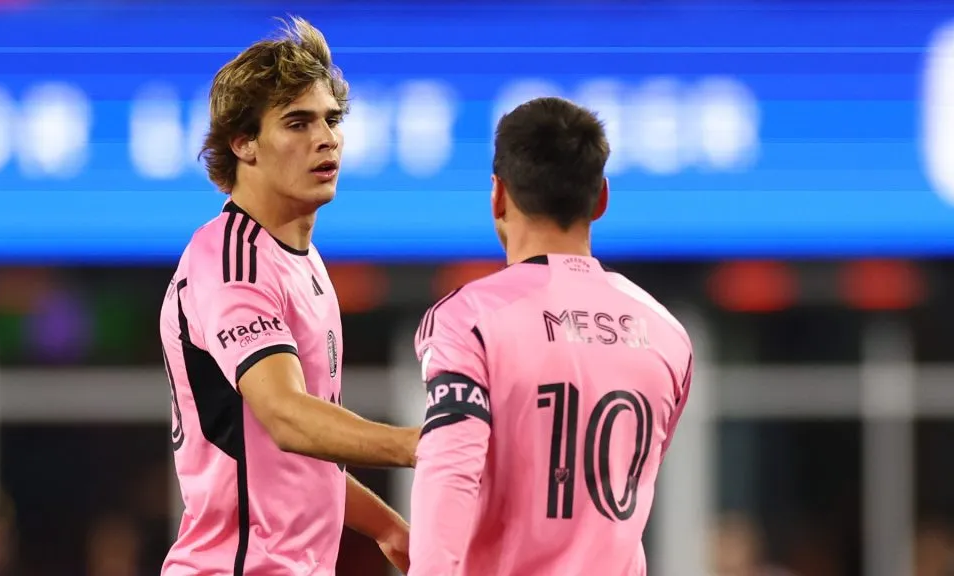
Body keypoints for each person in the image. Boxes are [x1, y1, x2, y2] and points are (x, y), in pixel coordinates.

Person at [159, 17, 416, 576]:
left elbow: (295, 459)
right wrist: (418, 444)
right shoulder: (232, 261)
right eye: (298, 123)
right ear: (243, 143)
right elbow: (285, 417)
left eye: (332, 119)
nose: (326, 139)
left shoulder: (301, 261)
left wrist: (387, 527)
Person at [407, 97, 694, 576]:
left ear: (498, 195)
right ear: (601, 199)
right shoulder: (667, 332)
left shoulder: (468, 319)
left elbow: (450, 469)